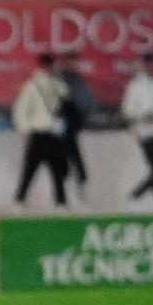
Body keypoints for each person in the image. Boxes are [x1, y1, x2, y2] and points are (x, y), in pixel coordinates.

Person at [12, 54, 69, 208]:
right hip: (39, 133)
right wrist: (25, 130)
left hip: (51, 133)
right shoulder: (32, 86)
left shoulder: (58, 85)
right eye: (53, 65)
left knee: (56, 170)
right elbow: (21, 110)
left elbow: (64, 107)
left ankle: (60, 202)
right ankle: (20, 199)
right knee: (31, 169)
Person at [121, 52, 153, 207]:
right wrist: (143, 116)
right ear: (145, 65)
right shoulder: (137, 86)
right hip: (146, 134)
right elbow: (127, 111)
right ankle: (137, 195)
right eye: (150, 64)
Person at [56, 54, 95, 203]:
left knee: (75, 159)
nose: (73, 65)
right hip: (59, 126)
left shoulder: (78, 81)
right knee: (61, 162)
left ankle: (81, 192)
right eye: (70, 62)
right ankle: (62, 197)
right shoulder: (57, 80)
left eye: (75, 63)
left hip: (72, 126)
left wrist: (81, 116)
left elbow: (87, 102)